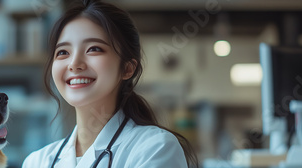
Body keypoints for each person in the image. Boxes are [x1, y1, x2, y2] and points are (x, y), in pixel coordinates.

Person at [22, 0, 198, 167]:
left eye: (94, 49)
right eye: (63, 52)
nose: (74, 64)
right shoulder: (37, 162)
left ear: (127, 68)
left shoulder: (155, 148)